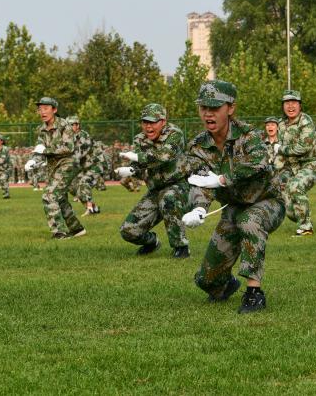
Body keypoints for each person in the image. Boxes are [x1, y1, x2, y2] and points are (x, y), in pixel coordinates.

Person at [180, 80, 283, 314]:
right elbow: (200, 181)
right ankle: (227, 286)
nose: (208, 113)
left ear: (231, 108)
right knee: (206, 281)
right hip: (233, 208)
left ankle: (254, 293)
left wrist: (223, 179)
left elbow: (258, 162)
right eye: (203, 108)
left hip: (266, 201)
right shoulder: (198, 146)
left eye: (214, 108)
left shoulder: (249, 136)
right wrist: (199, 208)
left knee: (250, 221)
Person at [116, 103, 192, 258]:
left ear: (163, 122)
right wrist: (131, 170)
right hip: (155, 190)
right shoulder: (139, 139)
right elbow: (139, 165)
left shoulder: (174, 133)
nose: (148, 127)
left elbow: (165, 157)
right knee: (128, 230)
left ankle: (181, 247)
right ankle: (152, 242)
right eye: (145, 122)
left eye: (152, 122)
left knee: (168, 198)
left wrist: (137, 157)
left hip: (179, 186)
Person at [28, 97, 86, 239]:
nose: (42, 112)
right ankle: (77, 229)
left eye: (46, 108)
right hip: (53, 166)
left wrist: (45, 151)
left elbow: (68, 147)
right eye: (40, 109)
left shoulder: (64, 125)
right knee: (60, 198)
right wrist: (33, 161)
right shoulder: (41, 129)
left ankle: (58, 232)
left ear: (54, 110)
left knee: (49, 195)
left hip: (68, 164)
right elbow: (40, 149)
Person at [275, 90, 316, 237]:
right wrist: (273, 168)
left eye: (294, 103)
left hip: (313, 163)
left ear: (300, 106)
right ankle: (302, 216)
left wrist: (281, 149)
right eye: (287, 103)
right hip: (292, 166)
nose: (291, 106)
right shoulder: (281, 125)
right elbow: (281, 154)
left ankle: (306, 227)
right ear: (283, 106)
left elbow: (303, 147)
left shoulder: (306, 122)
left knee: (295, 186)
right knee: (284, 198)